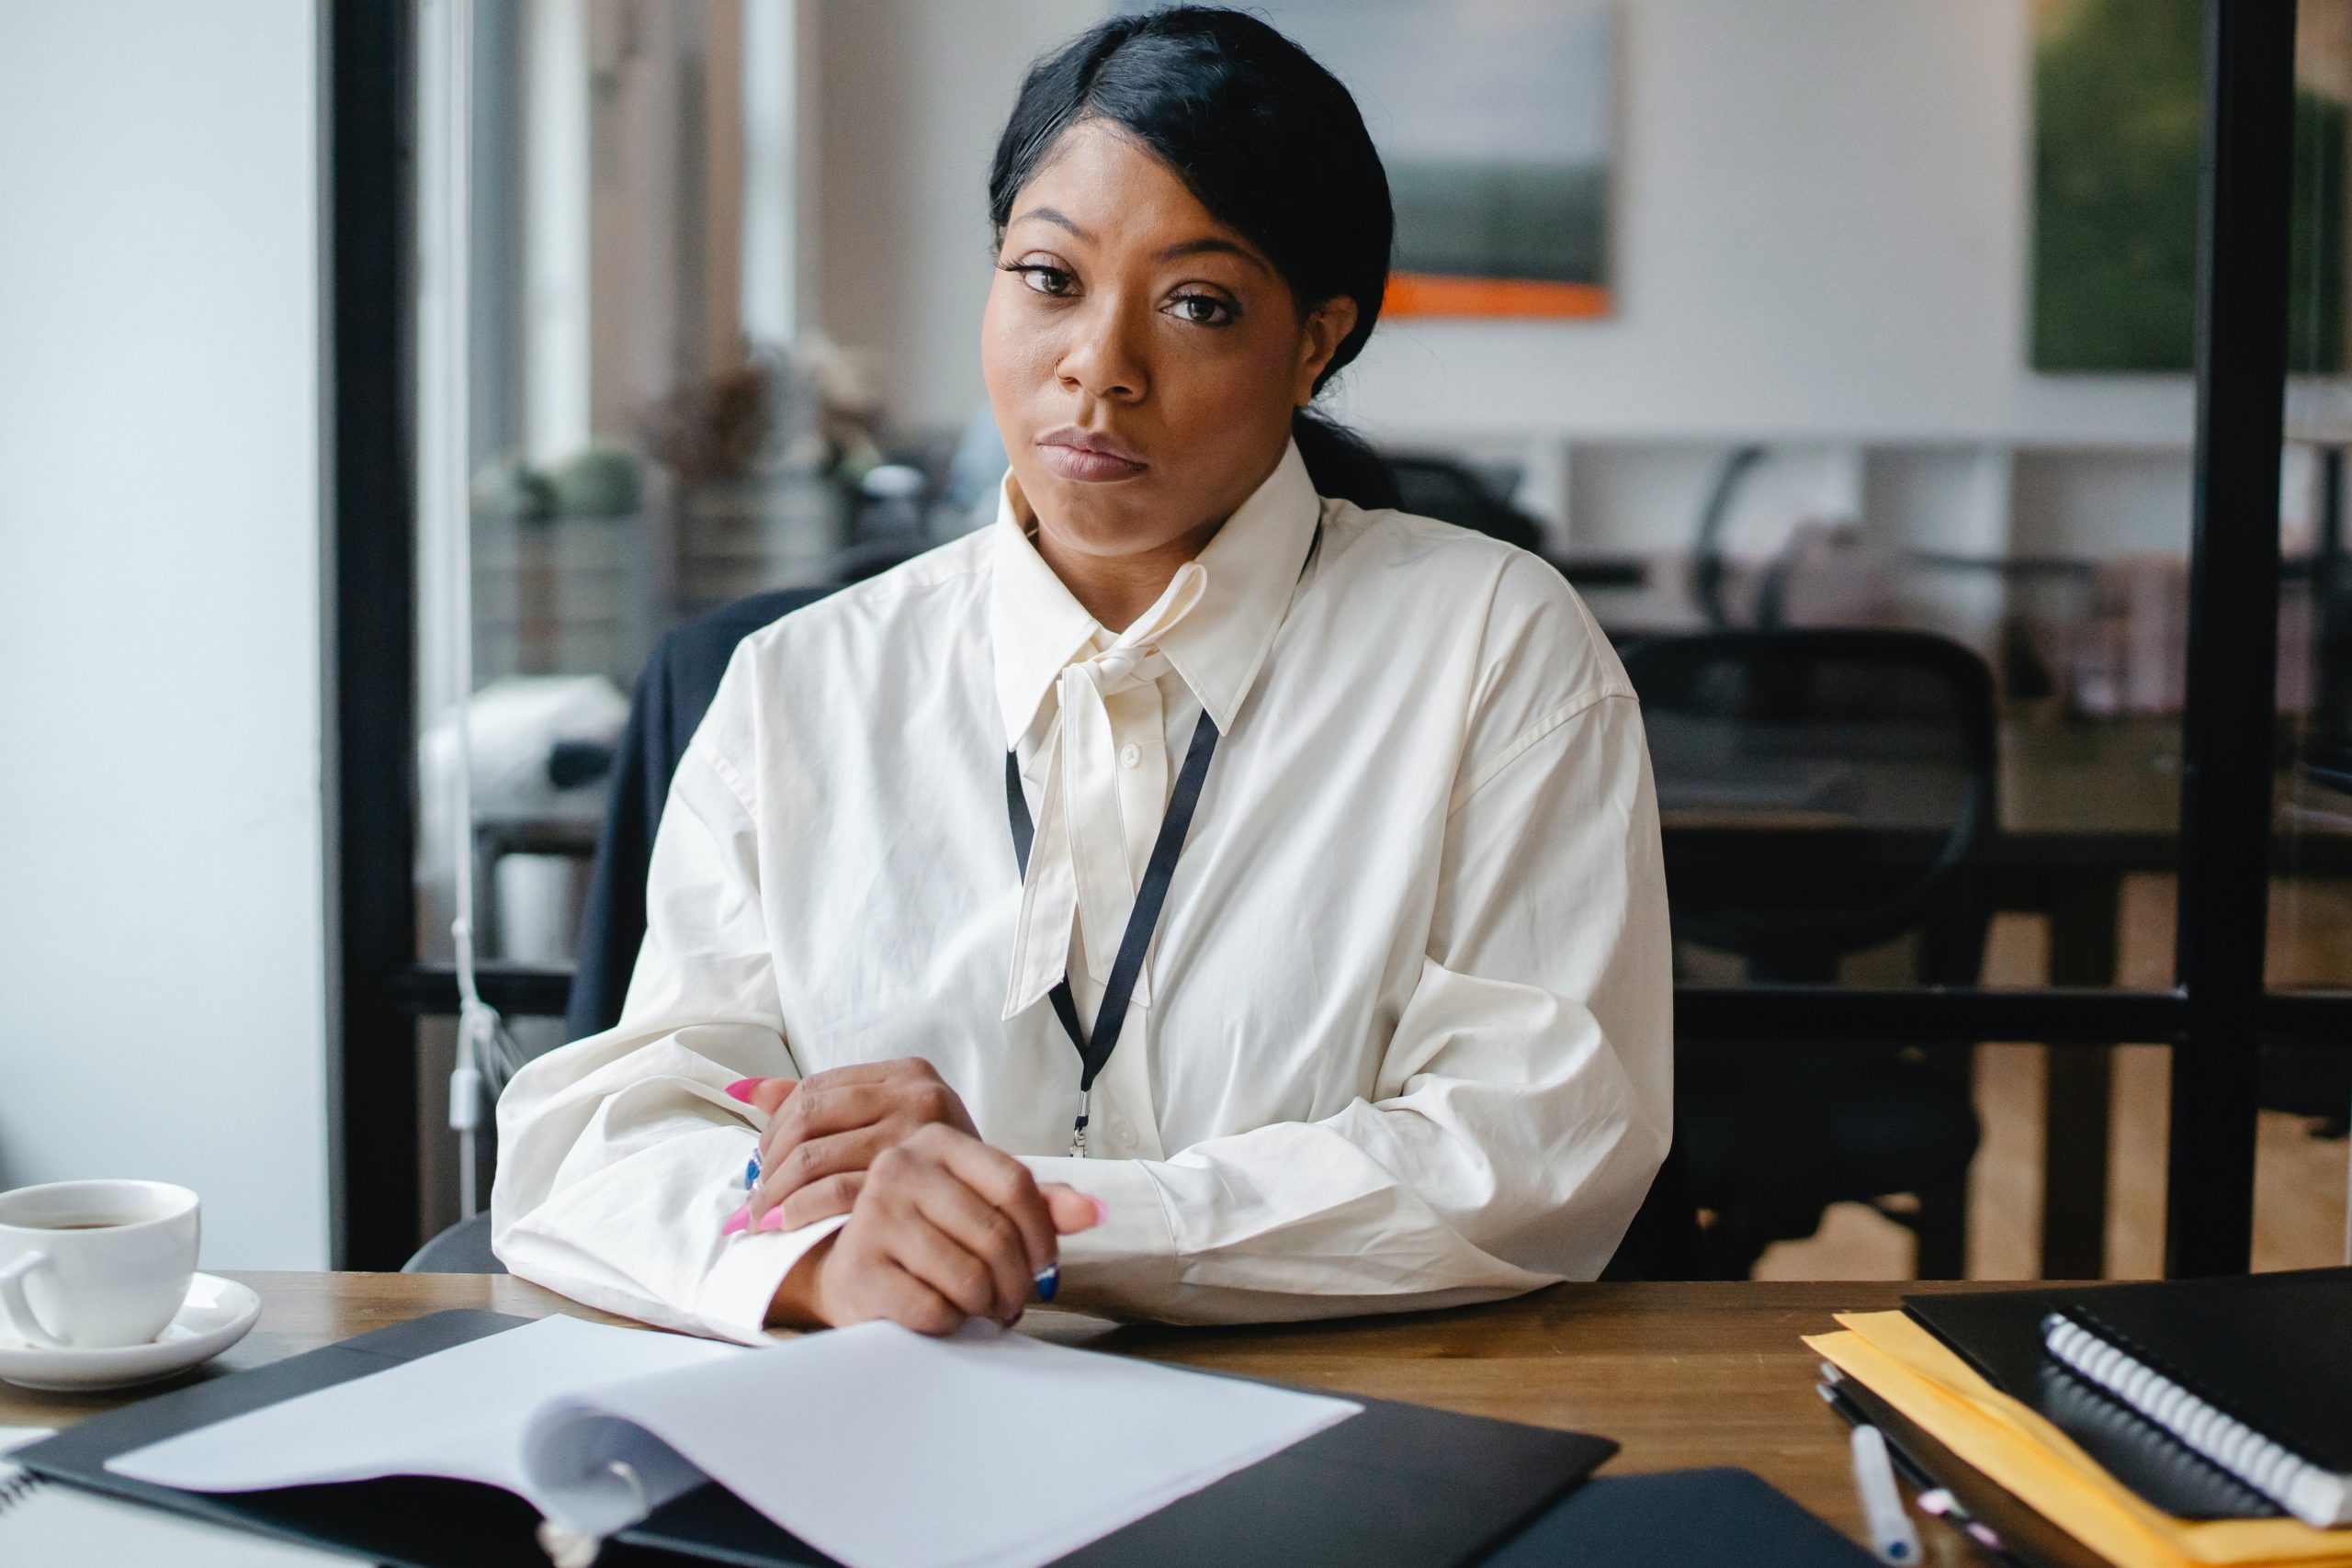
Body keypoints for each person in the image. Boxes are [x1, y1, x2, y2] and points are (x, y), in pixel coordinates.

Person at [492, 6, 1669, 1342]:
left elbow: (1529, 1147)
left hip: (1360, 1433)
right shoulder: (795, 690)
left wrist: (1035, 1219)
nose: (1098, 370)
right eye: (1049, 279)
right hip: (897, 1450)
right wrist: (833, 1267)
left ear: (1316, 341)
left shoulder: (1490, 647)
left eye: (1197, 305)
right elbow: (602, 1146)